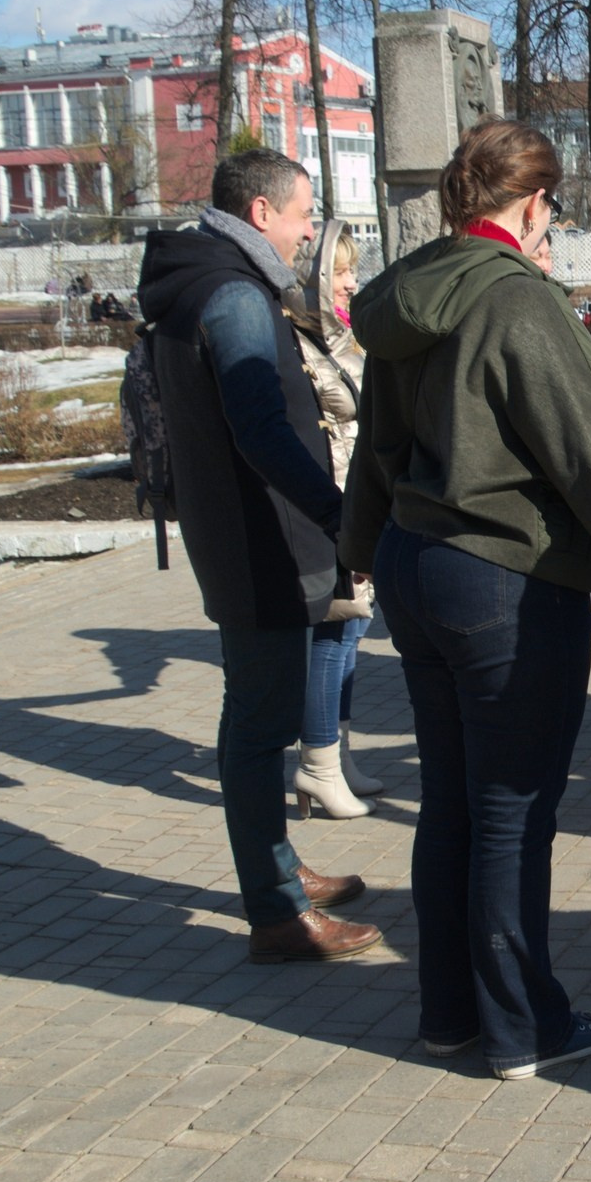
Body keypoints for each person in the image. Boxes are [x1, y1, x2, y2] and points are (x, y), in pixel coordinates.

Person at [343, 118, 591, 1081]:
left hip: (414, 565)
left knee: (453, 804)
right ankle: (522, 1030)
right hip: (504, 581)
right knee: (512, 811)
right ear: (535, 203)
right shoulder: (517, 302)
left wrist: (357, 553)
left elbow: (376, 445)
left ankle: (451, 1016)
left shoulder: (406, 295)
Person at [137, 147, 380, 965]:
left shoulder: (202, 279)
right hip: (259, 540)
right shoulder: (234, 295)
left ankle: (278, 869)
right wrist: (337, 513)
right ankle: (276, 912)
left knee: (258, 717)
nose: (310, 233)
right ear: (262, 214)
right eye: (304, 215)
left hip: (244, 534)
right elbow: (262, 430)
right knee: (257, 726)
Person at [287, 221, 381, 820]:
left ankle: (337, 754)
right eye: (339, 272)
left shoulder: (333, 335)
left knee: (352, 631)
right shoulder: (298, 341)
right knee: (333, 633)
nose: (350, 282)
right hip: (330, 503)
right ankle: (316, 765)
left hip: (356, 499)